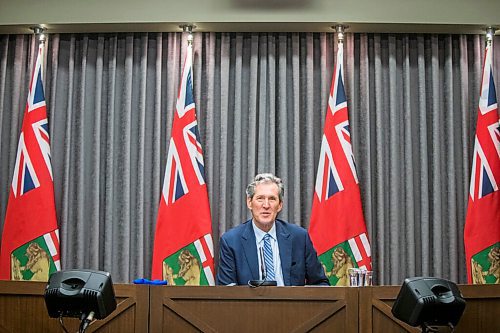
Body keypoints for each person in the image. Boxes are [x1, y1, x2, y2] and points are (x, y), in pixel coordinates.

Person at [216, 173, 329, 286]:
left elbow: (321, 284)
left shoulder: (299, 237)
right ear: (249, 202)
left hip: (291, 303)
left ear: (280, 205)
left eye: (272, 199)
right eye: (260, 198)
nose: (266, 205)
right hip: (249, 304)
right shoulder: (231, 241)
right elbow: (226, 291)